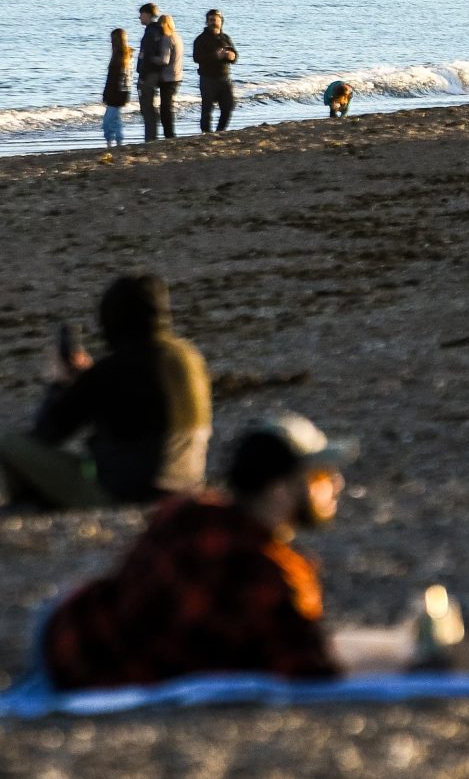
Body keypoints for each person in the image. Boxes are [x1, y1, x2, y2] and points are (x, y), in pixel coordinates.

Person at [37, 414, 353, 689]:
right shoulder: (269, 574)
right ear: (279, 488)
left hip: (65, 624)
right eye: (320, 476)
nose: (336, 483)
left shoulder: (187, 512)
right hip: (91, 667)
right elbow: (309, 664)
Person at [1, 275, 210, 512]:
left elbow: (46, 433)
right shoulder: (191, 357)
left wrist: (59, 384)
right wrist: (88, 380)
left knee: (7, 442)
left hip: (122, 499)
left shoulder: (112, 370)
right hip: (188, 490)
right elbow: (140, 406)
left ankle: (29, 506)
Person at [135, 4, 182, 142]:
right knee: (153, 107)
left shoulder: (152, 33)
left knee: (148, 107)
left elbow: (151, 57)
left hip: (150, 75)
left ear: (148, 15)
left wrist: (143, 75)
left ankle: (151, 138)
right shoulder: (158, 32)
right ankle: (154, 136)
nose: (139, 17)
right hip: (157, 74)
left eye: (142, 14)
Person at [192, 9, 238, 135]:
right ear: (207, 22)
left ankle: (220, 131)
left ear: (221, 22)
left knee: (228, 106)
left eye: (215, 20)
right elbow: (196, 58)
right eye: (210, 20)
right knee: (207, 109)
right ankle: (206, 133)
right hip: (208, 78)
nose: (213, 22)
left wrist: (231, 56)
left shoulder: (225, 38)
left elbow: (235, 55)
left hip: (224, 77)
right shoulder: (200, 39)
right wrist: (215, 56)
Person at [102, 29, 131, 148]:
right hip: (122, 93)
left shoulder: (119, 57)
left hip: (115, 93)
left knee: (108, 121)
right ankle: (118, 141)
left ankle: (112, 141)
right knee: (116, 119)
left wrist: (106, 94)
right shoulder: (126, 57)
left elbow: (112, 79)